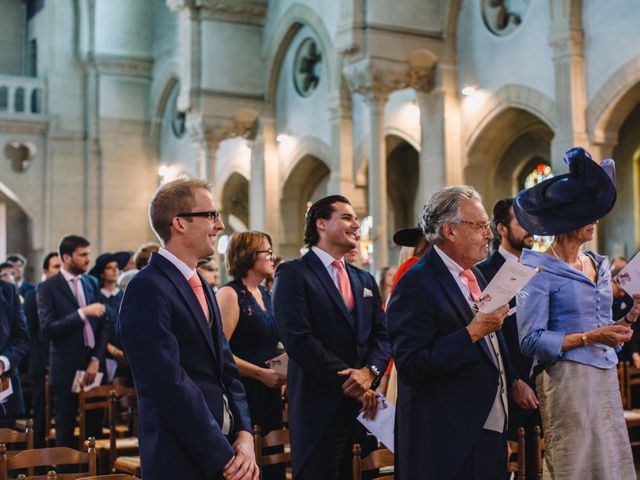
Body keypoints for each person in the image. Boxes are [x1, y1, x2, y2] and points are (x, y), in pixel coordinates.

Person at [118, 178, 258, 480]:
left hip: (227, 447)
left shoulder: (202, 286)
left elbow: (226, 368)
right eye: (211, 215)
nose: (219, 225)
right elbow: (168, 383)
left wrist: (245, 434)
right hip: (182, 455)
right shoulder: (146, 288)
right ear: (179, 223)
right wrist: (222, 455)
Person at [515, 147, 639, 479]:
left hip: (604, 377)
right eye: (587, 215)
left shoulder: (598, 265)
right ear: (564, 221)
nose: (595, 222)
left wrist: (625, 323)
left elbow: (604, 332)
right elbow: (530, 340)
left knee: (609, 460)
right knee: (575, 463)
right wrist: (590, 337)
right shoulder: (537, 269)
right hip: (566, 380)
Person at [387, 186, 511, 480]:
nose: (489, 234)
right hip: (446, 440)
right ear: (449, 231)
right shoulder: (416, 281)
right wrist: (472, 332)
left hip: (486, 429)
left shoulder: (474, 275)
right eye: (480, 226)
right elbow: (411, 365)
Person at [272, 194, 390, 480]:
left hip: (364, 409)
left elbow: (384, 336)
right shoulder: (293, 273)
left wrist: (369, 372)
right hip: (318, 407)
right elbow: (298, 339)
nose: (356, 225)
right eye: (347, 218)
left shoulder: (364, 280)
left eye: (356, 219)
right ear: (321, 223)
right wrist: (351, 381)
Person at [476, 197, 540, 479]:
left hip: (544, 379)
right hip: (510, 385)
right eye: (521, 222)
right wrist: (513, 380)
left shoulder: (541, 269)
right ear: (501, 229)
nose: (530, 228)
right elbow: (491, 335)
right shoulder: (483, 273)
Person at [217, 231, 285, 480]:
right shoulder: (230, 294)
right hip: (244, 389)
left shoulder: (266, 293)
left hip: (270, 388)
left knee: (274, 462)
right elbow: (220, 351)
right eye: (266, 252)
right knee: (251, 464)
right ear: (247, 255)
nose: (272, 257)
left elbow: (269, 342)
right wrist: (261, 374)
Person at [37, 234, 109, 448]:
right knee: (65, 430)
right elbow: (48, 329)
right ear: (67, 257)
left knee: (94, 430)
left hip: (94, 366)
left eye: (88, 254)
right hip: (66, 367)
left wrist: (96, 358)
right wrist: (81, 313)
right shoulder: (48, 288)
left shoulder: (91, 283)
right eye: (83, 255)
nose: (88, 259)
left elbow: (104, 325)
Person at [23, 251, 60, 446]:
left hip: (60, 361)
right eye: (55, 267)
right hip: (40, 364)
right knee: (40, 414)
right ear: (46, 271)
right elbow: (30, 332)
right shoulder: (33, 295)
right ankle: (36, 465)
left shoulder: (65, 294)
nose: (60, 271)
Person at [89, 252, 129, 381]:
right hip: (102, 355)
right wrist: (111, 349)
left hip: (125, 354)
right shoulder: (95, 298)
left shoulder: (125, 296)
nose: (114, 270)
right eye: (109, 268)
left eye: (116, 267)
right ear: (101, 273)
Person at [0, 271, 30, 427]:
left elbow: (22, 338)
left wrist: (3, 362)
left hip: (3, 388)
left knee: (5, 448)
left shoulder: (8, 291)